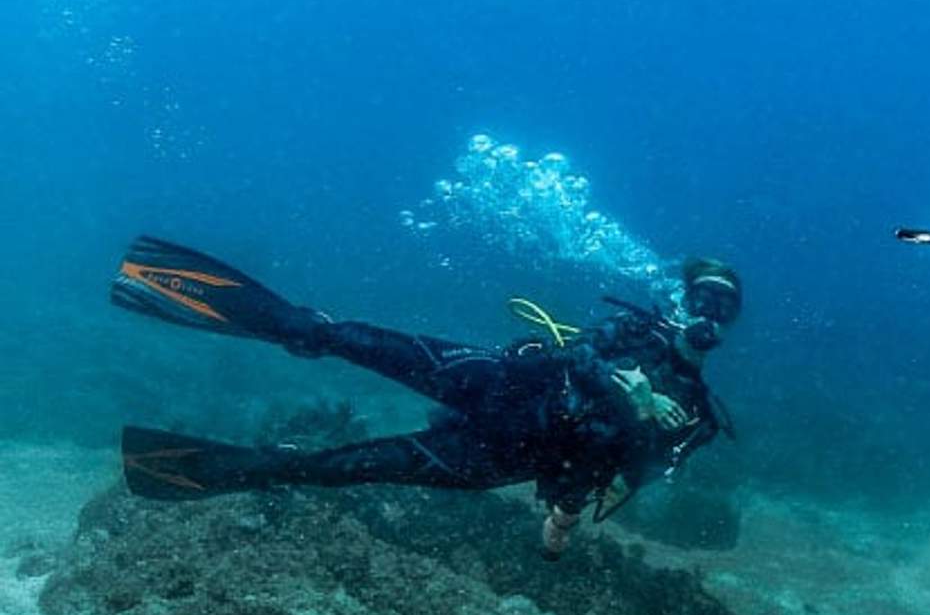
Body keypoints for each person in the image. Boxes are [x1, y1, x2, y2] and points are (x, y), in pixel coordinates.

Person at [111, 235, 740, 558]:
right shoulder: (632, 327)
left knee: (335, 472)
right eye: (702, 297)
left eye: (723, 307)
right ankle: (183, 288)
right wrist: (604, 380)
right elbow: (571, 352)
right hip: (491, 382)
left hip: (490, 459)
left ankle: (242, 466)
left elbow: (612, 480)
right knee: (328, 334)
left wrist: (561, 523)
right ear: (683, 299)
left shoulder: (695, 418)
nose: (707, 312)